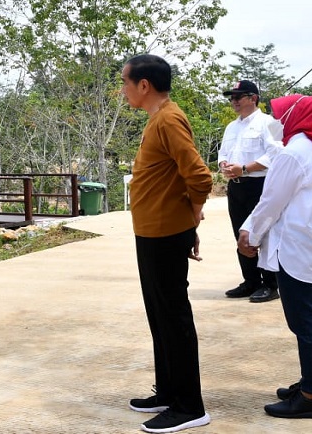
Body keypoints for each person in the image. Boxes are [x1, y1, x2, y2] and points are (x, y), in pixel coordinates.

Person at [121, 54, 213, 434]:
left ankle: (190, 405)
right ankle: (170, 391)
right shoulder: (157, 118)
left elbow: (200, 177)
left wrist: (192, 215)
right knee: (159, 315)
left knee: (173, 317)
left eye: (125, 82)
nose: (122, 89)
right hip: (152, 232)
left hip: (164, 234)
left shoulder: (170, 118)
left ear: (144, 85)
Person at [238, 95, 312, 419]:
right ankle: (311, 382)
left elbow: (271, 201)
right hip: (308, 243)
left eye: (279, 114)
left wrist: (249, 234)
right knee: (310, 317)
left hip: (296, 247)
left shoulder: (294, 153)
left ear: (296, 117)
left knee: (305, 321)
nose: (274, 120)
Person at [217, 80, 283, 303]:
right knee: (240, 233)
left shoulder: (268, 123)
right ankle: (251, 280)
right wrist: (224, 165)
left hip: (259, 185)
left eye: (238, 97)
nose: (233, 101)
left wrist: (245, 169)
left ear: (253, 98)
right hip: (236, 187)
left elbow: (274, 155)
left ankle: (271, 283)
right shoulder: (231, 127)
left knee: (261, 233)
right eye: (231, 97)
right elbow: (223, 152)